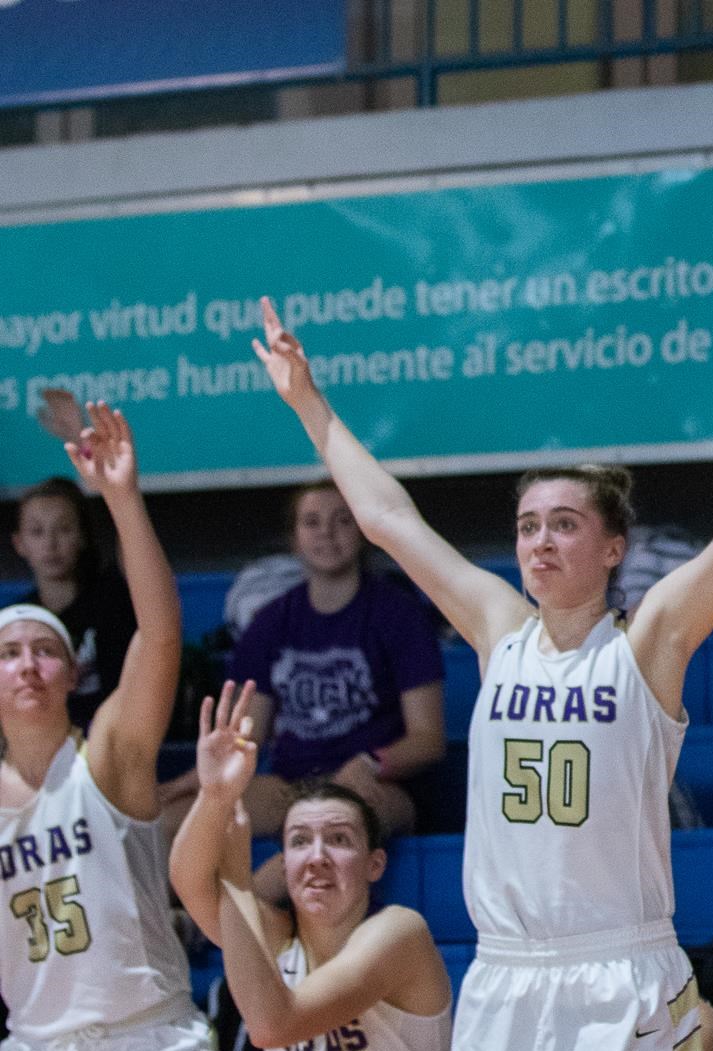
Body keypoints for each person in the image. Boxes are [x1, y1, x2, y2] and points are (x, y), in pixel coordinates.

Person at [252, 294, 713, 1050]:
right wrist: (308, 402)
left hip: (618, 963)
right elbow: (389, 519)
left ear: (614, 547)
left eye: (564, 523)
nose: (540, 541)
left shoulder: (649, 641)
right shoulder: (499, 629)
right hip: (504, 971)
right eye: (529, 525)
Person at [0, 404, 212, 1051]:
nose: (28, 665)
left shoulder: (109, 755)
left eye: (45, 650)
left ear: (74, 672)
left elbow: (160, 634)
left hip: (146, 1031)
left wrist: (121, 500)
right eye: (9, 653)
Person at [159, 483, 446, 854]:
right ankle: (183, 913)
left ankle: (254, 908)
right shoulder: (270, 622)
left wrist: (371, 763)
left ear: (363, 531)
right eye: (312, 522)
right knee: (170, 820)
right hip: (291, 785)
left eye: (342, 520)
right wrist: (181, 785)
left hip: (378, 786)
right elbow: (246, 740)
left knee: (326, 821)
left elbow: (428, 741)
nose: (326, 533)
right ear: (294, 538)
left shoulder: (398, 615)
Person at [169, 681, 452, 1051]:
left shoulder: (398, 933)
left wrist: (238, 880)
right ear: (284, 868)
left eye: (338, 839)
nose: (318, 857)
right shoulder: (279, 937)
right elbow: (191, 882)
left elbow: (273, 1027)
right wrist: (214, 795)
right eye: (301, 841)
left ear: (375, 865)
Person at [8, 475, 138, 731]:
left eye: (64, 528)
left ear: (83, 536)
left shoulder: (114, 598)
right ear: (19, 543)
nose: (50, 543)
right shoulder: (14, 620)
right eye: (37, 531)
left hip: (113, 741)